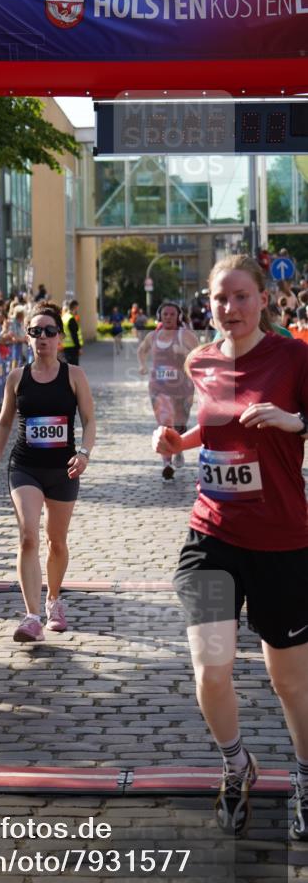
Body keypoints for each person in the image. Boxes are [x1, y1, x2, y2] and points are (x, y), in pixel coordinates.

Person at [153, 254, 308, 840]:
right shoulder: (202, 360)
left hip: (281, 541)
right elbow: (215, 426)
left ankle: (307, 776)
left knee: (289, 681)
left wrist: (295, 423)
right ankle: (236, 764)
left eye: (241, 296)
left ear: (263, 298)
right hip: (212, 534)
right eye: (220, 298)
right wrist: (177, 439)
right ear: (208, 302)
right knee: (211, 670)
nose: (230, 308)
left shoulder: (293, 356)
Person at [0, 302, 96, 642]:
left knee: (56, 542)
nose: (42, 337)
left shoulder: (74, 375)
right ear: (26, 337)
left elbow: (89, 420)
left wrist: (85, 453)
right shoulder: (17, 378)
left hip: (63, 469)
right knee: (28, 535)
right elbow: (3, 424)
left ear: (59, 338)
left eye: (49, 331)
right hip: (25, 466)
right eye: (35, 332)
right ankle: (31, 616)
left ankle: (53, 600)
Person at [138, 302, 198, 480]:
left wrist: (185, 351)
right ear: (159, 316)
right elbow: (142, 351)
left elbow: (198, 355)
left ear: (178, 317)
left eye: (172, 314)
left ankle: (178, 447)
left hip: (182, 387)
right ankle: (167, 464)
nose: (169, 318)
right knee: (165, 422)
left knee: (179, 422)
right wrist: (142, 366)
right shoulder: (152, 336)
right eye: (165, 314)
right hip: (159, 387)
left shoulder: (184, 335)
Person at [61, 299, 84, 366]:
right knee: (74, 368)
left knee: (68, 368)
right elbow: (74, 335)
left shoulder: (64, 317)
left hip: (65, 347)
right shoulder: (71, 319)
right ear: (75, 307)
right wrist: (79, 348)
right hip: (72, 347)